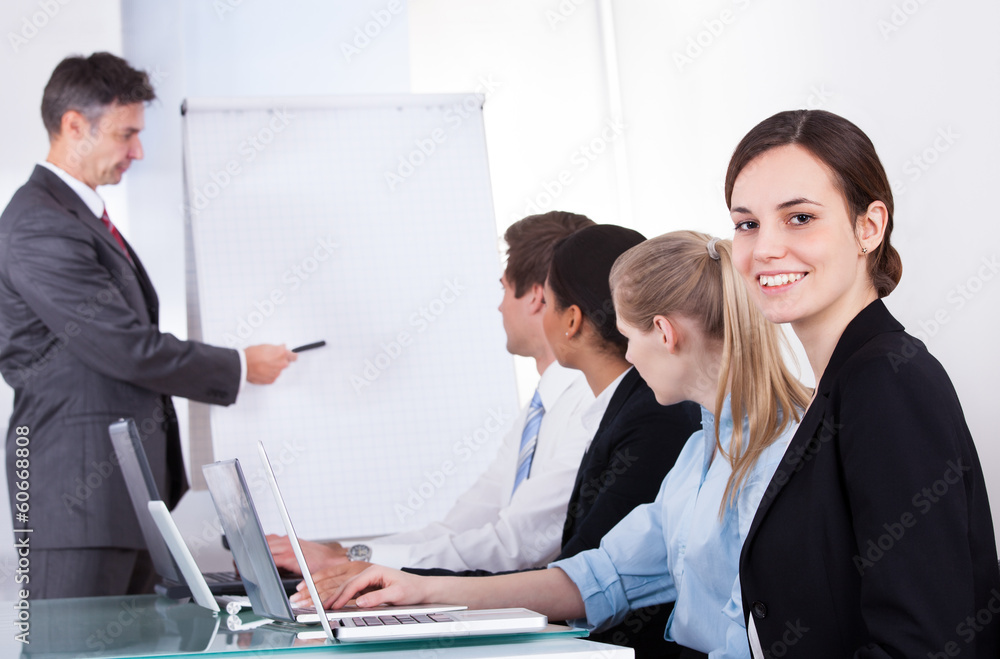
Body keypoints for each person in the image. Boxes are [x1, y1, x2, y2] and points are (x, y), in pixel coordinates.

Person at [327, 230, 809, 659]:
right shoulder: (697, 456)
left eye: (626, 337)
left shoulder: (774, 459)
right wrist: (422, 591)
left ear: (663, 334)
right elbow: (598, 576)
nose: (628, 357)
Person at [0, 52, 296, 599]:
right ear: (73, 126)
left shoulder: (78, 217)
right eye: (125, 134)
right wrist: (238, 366)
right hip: (75, 503)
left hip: (116, 498)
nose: (137, 150)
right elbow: (125, 348)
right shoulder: (40, 224)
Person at [726, 109, 1000, 658]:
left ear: (868, 227)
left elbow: (920, 644)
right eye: (747, 223)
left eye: (800, 218)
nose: (765, 249)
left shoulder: (886, 384)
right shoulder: (848, 381)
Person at [269, 211, 597, 574]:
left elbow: (515, 546)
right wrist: (348, 553)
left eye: (503, 288)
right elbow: (456, 529)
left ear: (536, 297)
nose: (500, 305)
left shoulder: (590, 407)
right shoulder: (539, 411)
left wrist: (346, 560)